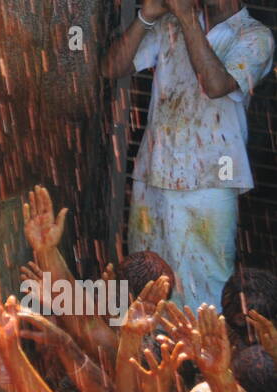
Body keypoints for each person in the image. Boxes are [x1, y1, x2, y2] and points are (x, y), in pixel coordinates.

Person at [102, 0, 275, 310]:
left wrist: (185, 17)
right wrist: (147, 16)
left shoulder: (255, 36)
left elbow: (215, 84)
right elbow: (111, 67)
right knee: (145, 279)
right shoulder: (171, 25)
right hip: (154, 172)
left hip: (210, 181)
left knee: (204, 287)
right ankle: (149, 352)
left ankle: (200, 355)